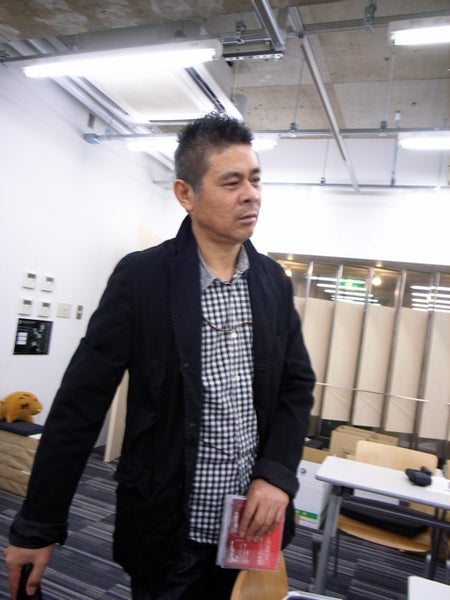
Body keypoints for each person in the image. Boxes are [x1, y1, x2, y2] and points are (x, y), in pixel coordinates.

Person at [4, 112, 315, 600]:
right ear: (185, 194)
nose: (251, 194)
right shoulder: (141, 278)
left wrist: (276, 475)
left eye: (255, 180)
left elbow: (296, 386)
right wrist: (37, 525)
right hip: (169, 529)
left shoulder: (272, 282)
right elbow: (80, 405)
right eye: (231, 182)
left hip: (251, 527)